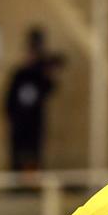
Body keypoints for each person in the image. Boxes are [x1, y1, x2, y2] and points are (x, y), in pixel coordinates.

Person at [4, 28, 63, 172]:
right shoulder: (19, 73)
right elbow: (9, 98)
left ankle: (33, 184)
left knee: (35, 153)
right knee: (17, 153)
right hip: (19, 121)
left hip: (34, 121)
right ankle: (17, 186)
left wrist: (49, 73)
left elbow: (50, 88)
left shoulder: (40, 73)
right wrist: (11, 116)